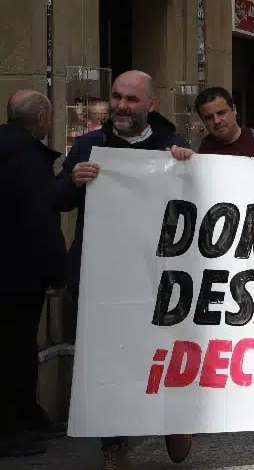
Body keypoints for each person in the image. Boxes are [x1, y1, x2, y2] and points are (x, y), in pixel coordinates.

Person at [55, 70, 194, 470]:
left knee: (161, 353)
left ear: (151, 105)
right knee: (106, 361)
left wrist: (187, 167)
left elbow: (196, 202)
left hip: (157, 276)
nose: (121, 106)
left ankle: (173, 422)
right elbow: (58, 197)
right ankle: (113, 445)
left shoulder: (173, 145)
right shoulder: (89, 144)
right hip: (102, 277)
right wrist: (73, 182)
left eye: (131, 100)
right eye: (116, 97)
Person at [0, 91, 67, 458]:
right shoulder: (29, 159)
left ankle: (25, 416)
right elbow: (43, 222)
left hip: (11, 270)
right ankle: (10, 429)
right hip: (20, 274)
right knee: (15, 349)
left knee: (16, 348)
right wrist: (57, 271)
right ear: (42, 116)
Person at [193, 86, 254, 158]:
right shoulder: (202, 149)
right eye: (209, 117)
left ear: (234, 110)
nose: (216, 121)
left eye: (221, 113)